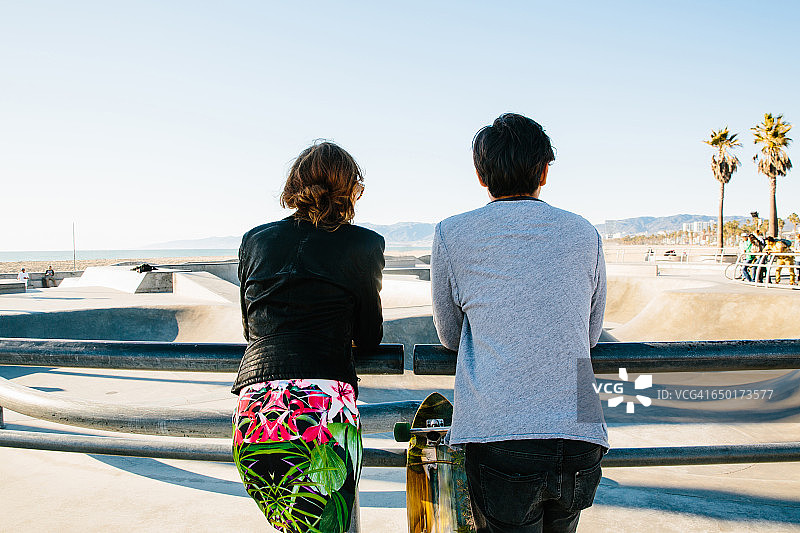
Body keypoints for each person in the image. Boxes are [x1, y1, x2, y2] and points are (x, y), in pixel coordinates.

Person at [431, 113, 607, 533]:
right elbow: (592, 333)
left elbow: (449, 336)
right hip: (581, 433)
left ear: (480, 174)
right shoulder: (584, 232)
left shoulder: (451, 233)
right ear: (544, 171)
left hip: (501, 434)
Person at [231, 141, 384, 533]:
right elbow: (370, 337)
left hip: (255, 414)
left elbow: (251, 329)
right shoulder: (363, 244)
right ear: (352, 190)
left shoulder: (254, 240)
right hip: (320, 413)